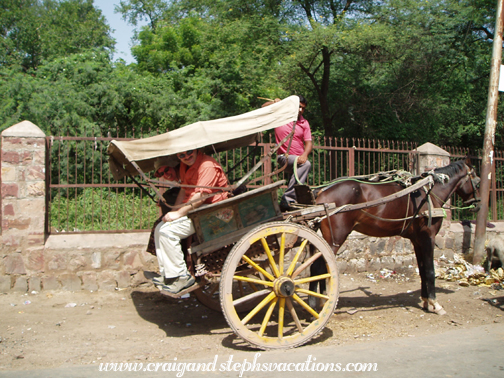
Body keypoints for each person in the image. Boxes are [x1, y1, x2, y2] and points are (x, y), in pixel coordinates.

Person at [152, 149, 229, 294]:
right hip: (200, 209)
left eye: (189, 153)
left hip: (214, 211)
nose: (186, 157)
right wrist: (175, 211)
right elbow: (184, 190)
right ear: (177, 157)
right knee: (160, 228)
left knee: (168, 232)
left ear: (196, 150)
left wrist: (179, 213)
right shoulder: (184, 166)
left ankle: (182, 277)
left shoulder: (207, 166)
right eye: (181, 155)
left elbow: (201, 196)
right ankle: (169, 276)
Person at [265, 95, 313, 211]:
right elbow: (264, 107)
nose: (301, 110)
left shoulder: (304, 122)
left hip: (298, 159)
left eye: (303, 108)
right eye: (299, 107)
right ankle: (288, 199)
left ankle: (295, 200)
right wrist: (277, 103)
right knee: (306, 165)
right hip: (284, 157)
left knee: (303, 165)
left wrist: (304, 155)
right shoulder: (281, 116)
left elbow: (309, 143)